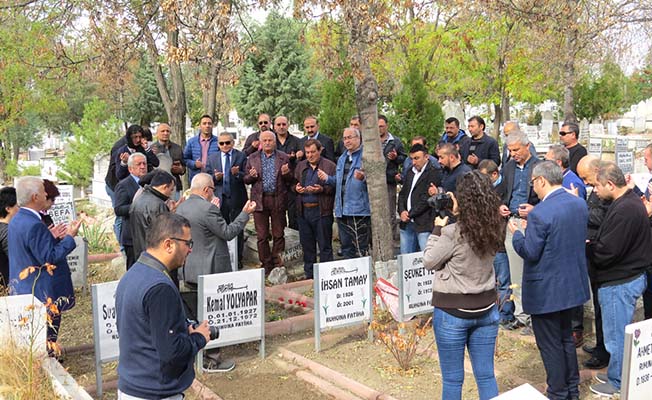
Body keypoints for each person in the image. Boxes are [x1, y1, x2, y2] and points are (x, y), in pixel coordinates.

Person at [509, 161, 590, 400]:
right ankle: (571, 388)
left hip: (547, 290)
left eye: (533, 182)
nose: (533, 187)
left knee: (550, 344)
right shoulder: (578, 204)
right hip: (571, 286)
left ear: (542, 180)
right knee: (565, 339)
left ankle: (558, 391)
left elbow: (530, 252)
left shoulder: (541, 213)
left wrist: (517, 235)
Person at [422, 171, 504, 400]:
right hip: (487, 309)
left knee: (452, 379)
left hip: (452, 313)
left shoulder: (451, 233)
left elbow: (429, 260)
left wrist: (438, 228)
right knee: (486, 376)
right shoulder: (495, 227)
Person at [115, 213, 210, 399]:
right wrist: (199, 338)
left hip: (133, 385)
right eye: (188, 243)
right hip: (154, 390)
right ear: (168, 244)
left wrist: (182, 331)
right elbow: (172, 353)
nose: (190, 250)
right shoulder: (159, 287)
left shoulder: (133, 273)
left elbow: (145, 332)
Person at [176, 173, 255, 372]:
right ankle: (212, 359)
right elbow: (227, 233)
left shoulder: (182, 206)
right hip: (209, 270)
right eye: (212, 189)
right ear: (205, 190)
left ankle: (195, 355)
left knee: (193, 314)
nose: (214, 192)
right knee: (210, 315)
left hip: (186, 269)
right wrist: (245, 213)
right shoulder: (208, 209)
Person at [587, 161, 652, 398]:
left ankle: (618, 381)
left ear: (611, 184)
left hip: (619, 281)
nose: (594, 191)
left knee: (616, 337)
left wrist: (590, 248)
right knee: (618, 333)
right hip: (627, 276)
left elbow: (607, 251)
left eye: (596, 186)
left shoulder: (625, 210)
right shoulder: (629, 201)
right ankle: (617, 371)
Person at [8, 176, 81, 349]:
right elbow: (50, 258)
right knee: (44, 338)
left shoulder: (18, 219)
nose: (46, 193)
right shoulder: (34, 224)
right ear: (35, 197)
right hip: (40, 290)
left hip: (23, 286)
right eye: (43, 191)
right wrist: (70, 237)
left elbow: (30, 250)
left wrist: (49, 236)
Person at [499, 130, 541, 333]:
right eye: (509, 150)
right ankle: (522, 316)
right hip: (513, 222)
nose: (512, 153)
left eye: (516, 149)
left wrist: (535, 212)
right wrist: (501, 206)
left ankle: (536, 317)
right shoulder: (508, 168)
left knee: (533, 272)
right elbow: (501, 192)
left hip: (533, 223)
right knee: (516, 274)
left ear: (527, 146)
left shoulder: (539, 167)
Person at [576, 155, 611, 370]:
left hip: (603, 257)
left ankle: (604, 351)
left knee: (605, 308)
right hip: (592, 254)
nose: (586, 183)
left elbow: (600, 217)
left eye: (586, 177)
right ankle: (600, 343)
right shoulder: (596, 189)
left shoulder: (607, 191)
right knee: (598, 305)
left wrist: (578, 206)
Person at [244, 131, 293, 274]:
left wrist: (286, 173)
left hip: (277, 199)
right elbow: (246, 179)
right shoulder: (252, 158)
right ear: (260, 142)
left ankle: (277, 263)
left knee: (278, 233)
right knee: (262, 235)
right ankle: (265, 264)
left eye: (270, 140)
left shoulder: (283, 157)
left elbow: (290, 180)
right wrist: (251, 176)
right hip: (260, 199)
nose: (267, 143)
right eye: (264, 140)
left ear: (275, 141)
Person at [478, 159, 514, 326]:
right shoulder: (484, 189)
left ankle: (505, 314)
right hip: (488, 241)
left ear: (494, 174)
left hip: (499, 241)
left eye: (485, 178)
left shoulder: (506, 187)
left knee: (503, 279)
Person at [205, 132, 248, 268]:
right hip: (219, 198)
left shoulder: (240, 156)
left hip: (236, 198)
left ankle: (239, 259)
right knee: (219, 229)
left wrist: (237, 174)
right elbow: (206, 177)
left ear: (232, 143)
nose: (225, 146)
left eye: (227, 143)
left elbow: (246, 177)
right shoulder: (212, 158)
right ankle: (222, 258)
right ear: (218, 144)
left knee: (238, 229)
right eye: (222, 143)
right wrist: (215, 177)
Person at [294, 139, 336, 278]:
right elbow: (293, 184)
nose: (310, 155)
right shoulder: (301, 166)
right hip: (304, 211)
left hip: (322, 211)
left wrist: (322, 189)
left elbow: (335, 186)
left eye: (313, 152)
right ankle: (309, 276)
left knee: (325, 245)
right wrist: (296, 188)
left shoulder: (329, 166)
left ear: (320, 151)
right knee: (307, 246)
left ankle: (326, 276)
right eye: (307, 152)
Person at [327, 127, 371, 258]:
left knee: (360, 248)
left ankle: (363, 275)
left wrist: (364, 178)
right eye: (345, 138)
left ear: (358, 138)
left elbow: (377, 181)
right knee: (346, 247)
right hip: (342, 211)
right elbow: (340, 181)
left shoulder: (366, 156)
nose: (347, 141)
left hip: (359, 211)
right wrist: (327, 179)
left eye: (350, 137)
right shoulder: (342, 158)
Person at [130, 170, 178, 282]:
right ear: (165, 187)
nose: (170, 194)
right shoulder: (158, 205)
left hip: (141, 254)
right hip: (157, 258)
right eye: (171, 190)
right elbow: (165, 233)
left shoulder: (138, 199)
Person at [397, 144, 442, 254]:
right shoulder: (409, 172)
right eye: (412, 159)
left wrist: (410, 214)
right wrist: (402, 211)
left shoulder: (433, 172)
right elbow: (403, 194)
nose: (414, 162)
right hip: (407, 223)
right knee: (406, 258)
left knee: (426, 257)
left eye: (417, 158)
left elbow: (426, 199)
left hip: (423, 223)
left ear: (426, 157)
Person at [114, 153, 148, 269]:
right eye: (139, 164)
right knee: (134, 269)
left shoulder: (150, 183)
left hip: (148, 235)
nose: (143, 167)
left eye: (144, 164)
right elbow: (119, 209)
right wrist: (138, 206)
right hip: (132, 236)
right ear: (130, 168)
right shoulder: (123, 185)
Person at [378, 115, 406, 240]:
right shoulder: (370, 141)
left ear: (387, 126)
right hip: (374, 182)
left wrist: (396, 158)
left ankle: (392, 239)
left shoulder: (395, 141)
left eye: (381, 126)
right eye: (377, 126)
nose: (379, 129)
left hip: (389, 180)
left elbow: (404, 159)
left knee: (390, 212)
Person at [274, 116, 302, 230]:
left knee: (293, 215)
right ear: (274, 126)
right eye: (279, 124)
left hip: (292, 183)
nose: (281, 127)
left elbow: (301, 161)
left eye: (284, 124)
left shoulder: (297, 141)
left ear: (288, 125)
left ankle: (295, 246)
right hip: (276, 184)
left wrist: (296, 158)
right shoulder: (271, 140)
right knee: (278, 217)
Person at [152, 123, 186, 201]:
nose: (165, 133)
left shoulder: (177, 148)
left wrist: (180, 169)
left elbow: (184, 169)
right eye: (162, 131)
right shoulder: (152, 149)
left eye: (167, 131)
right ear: (157, 133)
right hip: (158, 187)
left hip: (175, 186)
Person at [183, 114, 219, 183]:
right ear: (200, 126)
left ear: (212, 126)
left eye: (209, 123)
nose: (207, 126)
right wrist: (194, 164)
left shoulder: (218, 142)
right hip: (196, 178)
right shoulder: (192, 142)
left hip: (213, 178)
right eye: (204, 123)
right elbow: (185, 159)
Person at [0, 187, 18, 288]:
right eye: (18, 206)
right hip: (7, 284)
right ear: (8, 209)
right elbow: (16, 260)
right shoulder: (8, 232)